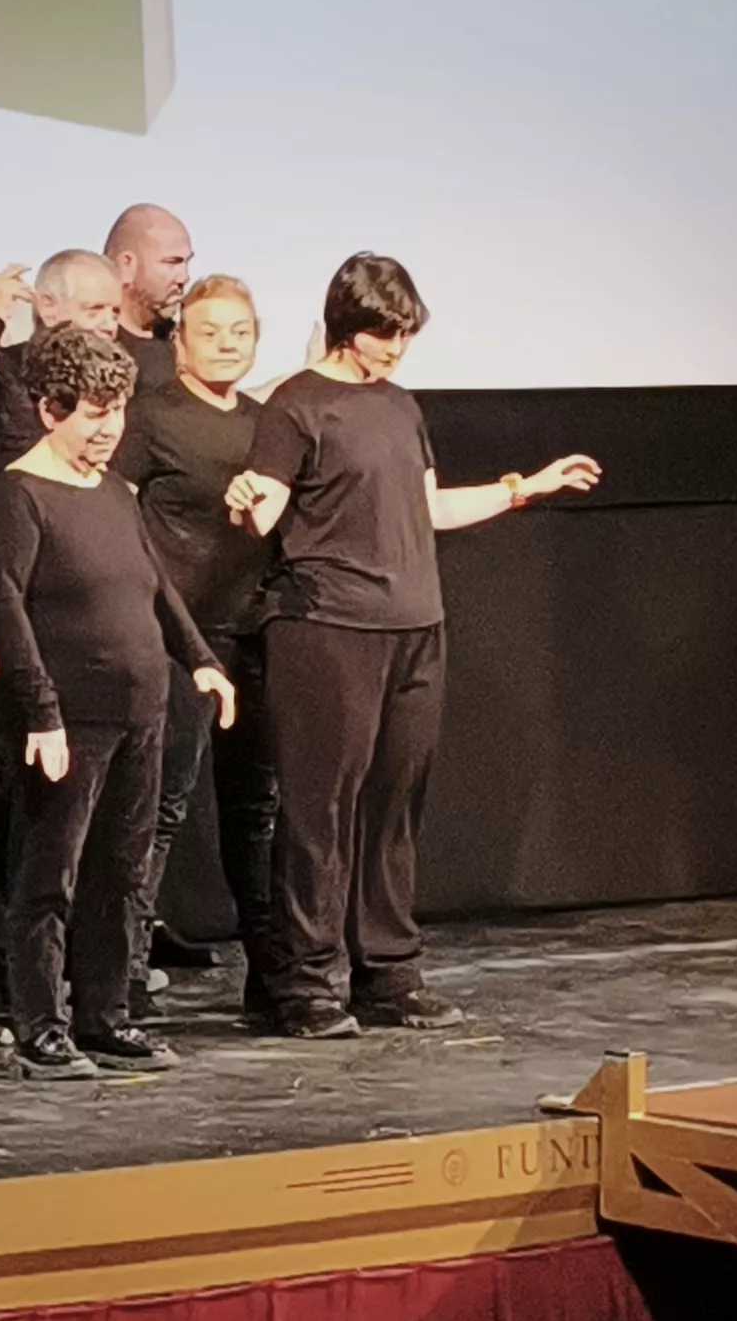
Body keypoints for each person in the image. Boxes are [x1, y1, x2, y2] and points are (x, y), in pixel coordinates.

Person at [230, 254, 600, 1037]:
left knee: (393, 806)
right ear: (346, 323)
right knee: (319, 811)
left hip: (414, 626)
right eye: (383, 332)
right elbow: (264, 506)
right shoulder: (297, 404)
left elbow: (427, 508)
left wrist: (522, 486)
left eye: (405, 332)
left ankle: (388, 974)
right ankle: (304, 984)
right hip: (329, 628)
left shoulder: (400, 406)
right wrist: (246, 501)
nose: (396, 346)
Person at [0, 327, 234, 1078]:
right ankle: (39, 1024)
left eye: (116, 411)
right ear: (50, 408)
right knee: (49, 874)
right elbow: (6, 609)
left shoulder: (116, 493)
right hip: (69, 716)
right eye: (93, 413)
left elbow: (157, 588)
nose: (108, 429)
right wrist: (41, 713)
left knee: (121, 873)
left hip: (141, 705)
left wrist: (203, 662)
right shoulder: (18, 495)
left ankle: (105, 1015)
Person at [114, 273, 281, 1012]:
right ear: (178, 341)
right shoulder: (151, 417)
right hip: (177, 639)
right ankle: (119, 974)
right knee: (162, 806)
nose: (225, 345)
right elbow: (113, 517)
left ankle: (273, 974)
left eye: (239, 333)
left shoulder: (265, 423)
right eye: (209, 332)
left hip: (256, 633)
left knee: (258, 808)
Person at [0, 248, 125, 462]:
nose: (109, 325)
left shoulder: (117, 379)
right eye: (94, 310)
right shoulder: (0, 374)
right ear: (48, 307)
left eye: (115, 312)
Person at [103, 204, 194, 393]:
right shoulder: (93, 348)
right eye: (171, 263)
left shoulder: (188, 344)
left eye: (187, 262)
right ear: (126, 265)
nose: (184, 277)